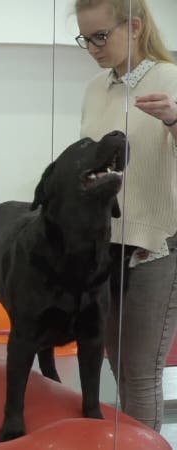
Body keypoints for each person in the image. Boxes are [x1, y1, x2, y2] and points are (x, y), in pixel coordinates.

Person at [75, 0, 177, 431]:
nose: (93, 48)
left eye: (101, 36)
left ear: (134, 27)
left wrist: (175, 120)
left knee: (139, 373)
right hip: (106, 246)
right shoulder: (97, 89)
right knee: (117, 365)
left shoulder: (171, 79)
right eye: (85, 39)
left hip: (156, 247)